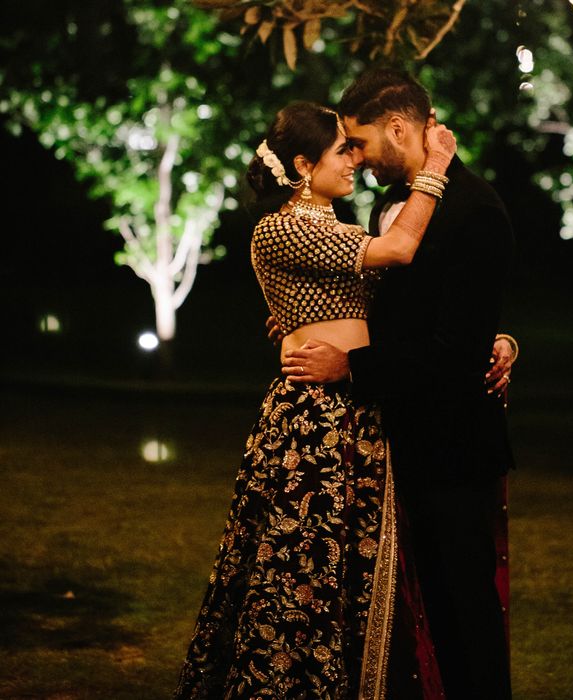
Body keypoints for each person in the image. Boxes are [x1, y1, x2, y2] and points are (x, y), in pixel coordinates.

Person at [174, 101, 456, 699]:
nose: (354, 160)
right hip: (313, 425)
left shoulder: (330, 226)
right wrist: (436, 166)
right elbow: (399, 250)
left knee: (352, 572)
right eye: (340, 151)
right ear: (304, 165)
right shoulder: (285, 226)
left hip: (357, 411)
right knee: (302, 574)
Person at [281, 70, 516, 699]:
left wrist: (351, 368)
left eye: (357, 143)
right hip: (386, 448)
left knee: (466, 617)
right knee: (409, 624)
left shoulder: (476, 210)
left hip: (451, 450)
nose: (352, 158)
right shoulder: (384, 209)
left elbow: (451, 349)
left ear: (398, 128)